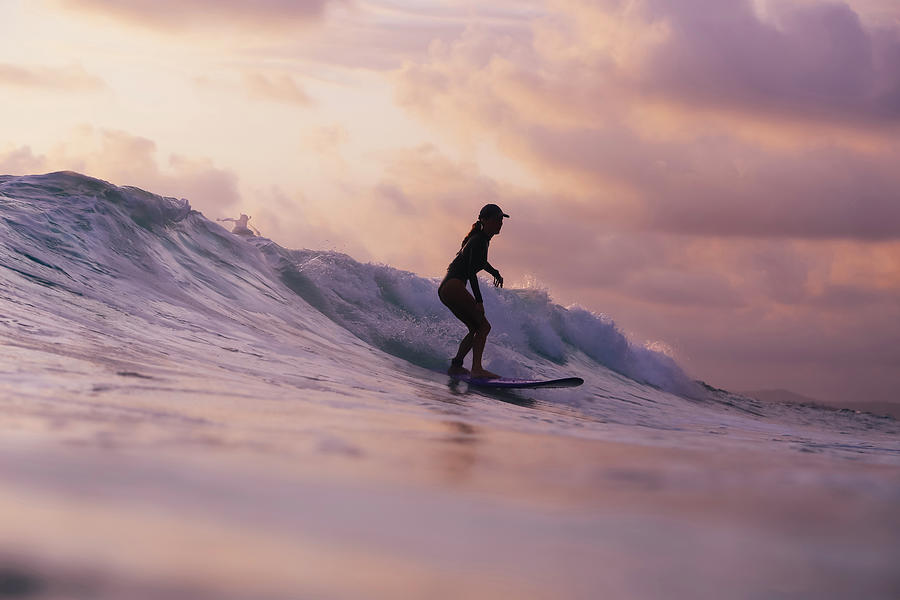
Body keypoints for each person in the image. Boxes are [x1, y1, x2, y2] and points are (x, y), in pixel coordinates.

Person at [438, 203, 509, 378]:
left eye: (501, 220)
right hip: (454, 286)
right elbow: (470, 271)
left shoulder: (480, 239)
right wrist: (479, 301)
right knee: (484, 326)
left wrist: (495, 272)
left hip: (447, 289)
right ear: (485, 221)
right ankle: (477, 369)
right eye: (496, 219)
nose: (500, 223)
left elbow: (480, 262)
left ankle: (456, 365)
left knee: (475, 328)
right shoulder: (479, 240)